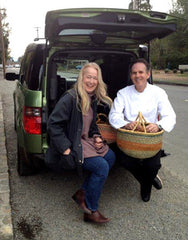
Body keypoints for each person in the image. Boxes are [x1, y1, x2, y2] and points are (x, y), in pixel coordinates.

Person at [46, 62, 116, 223]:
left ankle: (82, 193)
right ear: (81, 78)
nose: (91, 81)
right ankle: (90, 210)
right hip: (73, 143)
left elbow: (91, 125)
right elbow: (53, 125)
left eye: (95, 78)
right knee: (101, 167)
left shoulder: (91, 98)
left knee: (110, 157)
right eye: (88, 77)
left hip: (86, 140)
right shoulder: (70, 98)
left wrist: (97, 136)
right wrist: (65, 149)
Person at [109, 58, 176, 202]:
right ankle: (147, 181)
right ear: (131, 75)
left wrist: (158, 125)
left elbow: (170, 115)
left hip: (149, 138)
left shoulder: (158, 92)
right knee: (124, 161)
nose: (137, 75)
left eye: (141, 72)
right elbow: (114, 115)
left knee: (154, 165)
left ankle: (147, 183)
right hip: (129, 137)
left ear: (147, 74)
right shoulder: (123, 93)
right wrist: (126, 124)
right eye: (134, 73)